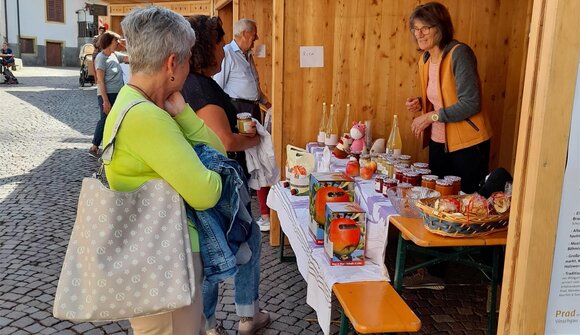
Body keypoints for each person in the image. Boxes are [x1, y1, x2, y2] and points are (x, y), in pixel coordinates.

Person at [102, 6, 222, 335]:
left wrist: (182, 112)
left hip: (150, 254)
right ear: (172, 63)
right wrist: (213, 174)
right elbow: (208, 191)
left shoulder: (129, 101)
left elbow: (219, 152)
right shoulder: (148, 118)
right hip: (166, 259)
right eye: (185, 61)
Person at [182, 15, 269, 335]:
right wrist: (256, 139)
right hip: (219, 183)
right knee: (226, 249)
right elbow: (223, 140)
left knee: (229, 246)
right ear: (207, 48)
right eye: (219, 43)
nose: (223, 50)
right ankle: (237, 318)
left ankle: (217, 321)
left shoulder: (194, 83)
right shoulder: (201, 86)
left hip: (214, 180)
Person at [403, 1, 492, 289]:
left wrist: (432, 114)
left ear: (441, 27)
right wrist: (421, 104)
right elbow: (439, 98)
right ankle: (435, 272)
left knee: (467, 207)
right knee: (438, 206)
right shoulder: (426, 59)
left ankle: (479, 271)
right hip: (440, 143)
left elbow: (470, 102)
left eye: (425, 27)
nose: (420, 34)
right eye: (415, 29)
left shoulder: (459, 54)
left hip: (468, 144)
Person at [212, 18, 273, 232]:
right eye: (254, 34)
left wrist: (266, 102)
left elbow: (253, 86)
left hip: (252, 107)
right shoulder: (229, 53)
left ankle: (252, 199)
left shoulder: (247, 55)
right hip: (238, 109)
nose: (256, 38)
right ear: (244, 34)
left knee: (255, 154)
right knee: (242, 155)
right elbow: (218, 86)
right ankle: (240, 203)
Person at [89, 30, 128, 158]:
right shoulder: (101, 58)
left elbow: (132, 57)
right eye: (115, 41)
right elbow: (100, 80)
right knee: (105, 119)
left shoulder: (115, 55)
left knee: (118, 119)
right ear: (108, 42)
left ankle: (112, 145)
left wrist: (124, 45)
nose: (117, 43)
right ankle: (94, 146)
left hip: (118, 93)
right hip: (107, 94)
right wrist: (105, 100)